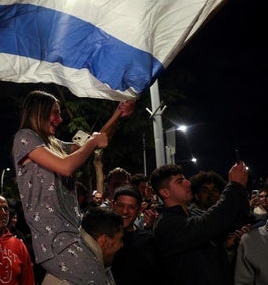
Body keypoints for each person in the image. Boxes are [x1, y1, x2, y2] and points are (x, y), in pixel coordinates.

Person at [11, 90, 134, 284]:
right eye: (55, 113)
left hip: (75, 234)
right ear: (39, 112)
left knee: (107, 279)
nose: (59, 120)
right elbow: (66, 167)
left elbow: (96, 141)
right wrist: (93, 141)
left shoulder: (54, 143)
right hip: (54, 242)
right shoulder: (24, 137)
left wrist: (119, 113)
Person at [149, 160, 250, 285]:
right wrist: (234, 186)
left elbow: (233, 221)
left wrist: (240, 189)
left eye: (185, 179)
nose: (188, 183)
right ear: (165, 192)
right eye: (180, 181)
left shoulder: (187, 217)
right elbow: (209, 223)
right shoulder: (166, 224)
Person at [42, 207, 125, 285]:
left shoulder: (75, 259)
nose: (122, 245)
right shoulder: (81, 275)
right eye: (120, 239)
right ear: (104, 241)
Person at [110, 185, 162, 285]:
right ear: (112, 205)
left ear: (139, 211)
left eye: (132, 207)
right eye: (120, 205)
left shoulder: (148, 240)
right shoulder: (101, 237)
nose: (125, 211)